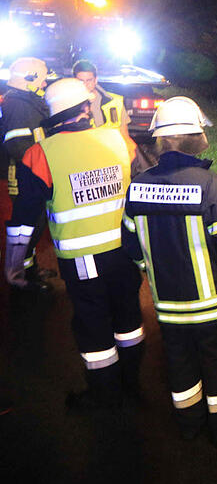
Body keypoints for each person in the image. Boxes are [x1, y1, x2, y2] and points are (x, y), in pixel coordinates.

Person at [121, 96, 217, 446]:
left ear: (160, 139)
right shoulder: (213, 186)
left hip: (169, 308)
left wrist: (152, 275)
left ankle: (189, 425)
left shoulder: (138, 186)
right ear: (196, 137)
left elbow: (133, 247)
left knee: (180, 366)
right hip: (216, 306)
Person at [6, 78, 143, 409]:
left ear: (53, 115)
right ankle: (131, 385)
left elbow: (25, 220)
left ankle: (104, 395)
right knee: (128, 320)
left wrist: (13, 265)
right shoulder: (120, 141)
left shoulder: (39, 155)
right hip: (126, 254)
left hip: (83, 261)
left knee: (93, 325)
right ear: (86, 107)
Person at [1, 57, 52, 290]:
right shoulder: (19, 105)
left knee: (34, 224)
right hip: (23, 177)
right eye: (41, 81)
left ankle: (29, 269)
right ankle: (17, 276)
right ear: (29, 80)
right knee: (23, 228)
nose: (43, 85)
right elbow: (17, 145)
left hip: (32, 175)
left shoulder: (25, 102)